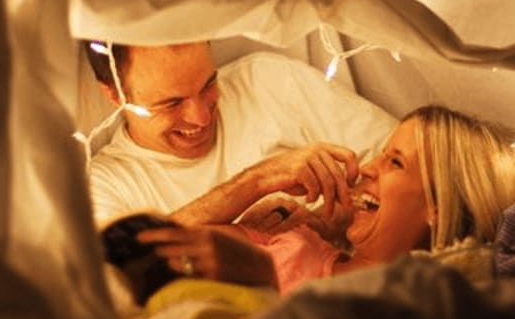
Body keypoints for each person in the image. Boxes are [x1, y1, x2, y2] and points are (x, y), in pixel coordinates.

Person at [127, 104, 515, 296]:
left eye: (394, 163)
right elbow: (130, 259)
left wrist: (265, 286)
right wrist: (258, 181)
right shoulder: (289, 240)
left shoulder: (427, 303)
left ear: (438, 206)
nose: (366, 168)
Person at [83, 40, 397, 226]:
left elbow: (420, 157)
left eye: (208, 84)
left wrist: (325, 222)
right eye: (172, 103)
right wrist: (255, 182)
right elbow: (120, 275)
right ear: (114, 94)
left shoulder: (267, 81)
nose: (201, 117)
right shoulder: (108, 183)